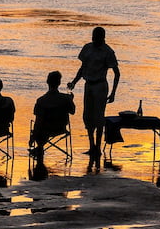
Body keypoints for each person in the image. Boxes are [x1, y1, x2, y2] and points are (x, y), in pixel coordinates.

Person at [67, 26, 120, 157]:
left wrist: (113, 93)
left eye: (96, 37)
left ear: (102, 38)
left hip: (100, 86)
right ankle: (92, 146)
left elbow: (117, 73)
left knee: (99, 117)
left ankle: (98, 147)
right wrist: (74, 82)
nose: (94, 39)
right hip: (88, 85)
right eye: (93, 37)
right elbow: (82, 68)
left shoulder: (108, 52)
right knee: (88, 116)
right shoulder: (87, 48)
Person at [29, 70, 76, 160]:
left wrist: (33, 136)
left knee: (39, 126)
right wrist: (71, 100)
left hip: (45, 129)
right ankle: (39, 148)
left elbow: (38, 121)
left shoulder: (41, 100)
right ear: (59, 83)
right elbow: (72, 111)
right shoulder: (65, 98)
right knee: (43, 127)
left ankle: (40, 148)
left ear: (47, 82)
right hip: (60, 128)